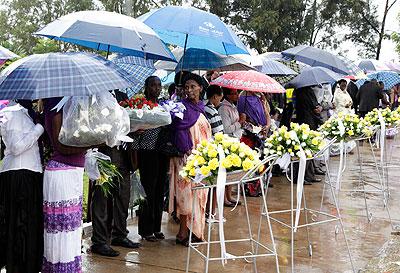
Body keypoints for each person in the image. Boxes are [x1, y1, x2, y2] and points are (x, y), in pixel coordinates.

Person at [42, 97, 92, 273]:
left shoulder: (68, 101)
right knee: (62, 232)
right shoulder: (55, 101)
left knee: (70, 232)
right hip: (62, 173)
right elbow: (62, 145)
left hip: (72, 173)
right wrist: (97, 142)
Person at [91, 89, 140, 257]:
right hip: (104, 153)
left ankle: (119, 234)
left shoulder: (122, 96)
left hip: (123, 154)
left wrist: (136, 127)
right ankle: (99, 241)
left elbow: (127, 121)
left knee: (123, 196)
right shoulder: (94, 97)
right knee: (101, 198)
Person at [168, 73, 212, 246]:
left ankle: (195, 232)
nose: (189, 90)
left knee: (199, 195)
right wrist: (187, 150)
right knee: (186, 195)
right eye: (186, 87)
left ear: (200, 88)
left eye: (193, 86)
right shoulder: (181, 108)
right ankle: (183, 232)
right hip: (187, 159)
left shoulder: (201, 107)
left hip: (202, 159)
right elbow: (177, 129)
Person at [0, 101, 44, 273]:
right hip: (20, 175)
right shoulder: (12, 113)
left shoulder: (25, 113)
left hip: (28, 173)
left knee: (27, 226)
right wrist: (39, 128)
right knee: (20, 227)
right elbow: (16, 147)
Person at [132, 76, 169, 242]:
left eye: (159, 85)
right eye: (153, 85)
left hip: (162, 152)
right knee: (148, 190)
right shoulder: (140, 106)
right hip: (147, 152)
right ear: (146, 87)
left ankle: (156, 227)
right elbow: (135, 130)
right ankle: (146, 230)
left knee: (160, 190)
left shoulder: (164, 106)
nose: (157, 88)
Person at [218, 87, 247, 201]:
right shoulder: (224, 109)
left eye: (237, 93)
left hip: (235, 141)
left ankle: (229, 196)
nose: (237, 95)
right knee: (227, 171)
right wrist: (240, 122)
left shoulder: (233, 106)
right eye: (234, 93)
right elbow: (227, 129)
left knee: (232, 170)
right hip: (228, 142)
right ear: (227, 95)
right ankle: (224, 198)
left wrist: (242, 121)